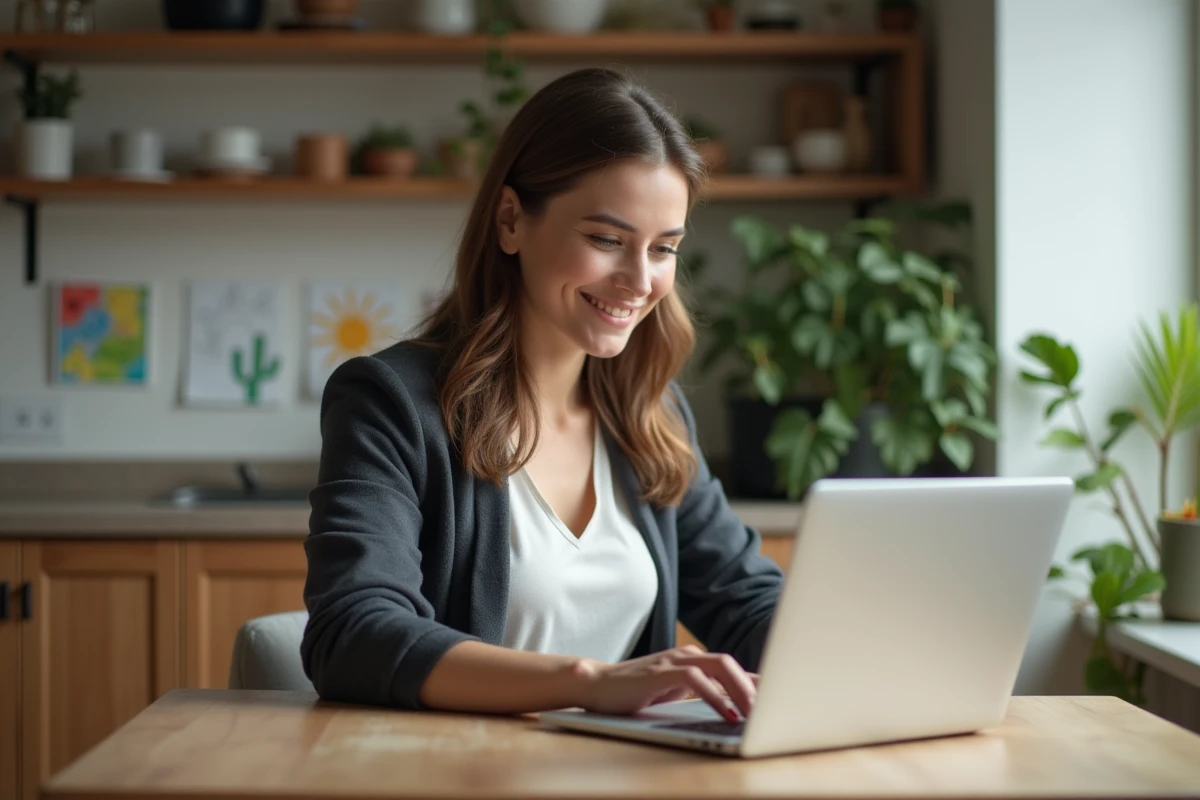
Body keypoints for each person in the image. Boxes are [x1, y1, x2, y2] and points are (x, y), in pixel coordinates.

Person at [301, 67, 784, 724]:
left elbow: (744, 600)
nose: (639, 280)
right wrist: (592, 682)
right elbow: (352, 635)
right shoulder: (391, 404)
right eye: (607, 240)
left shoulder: (650, 414)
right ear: (510, 221)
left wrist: (862, 654)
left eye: (664, 249)